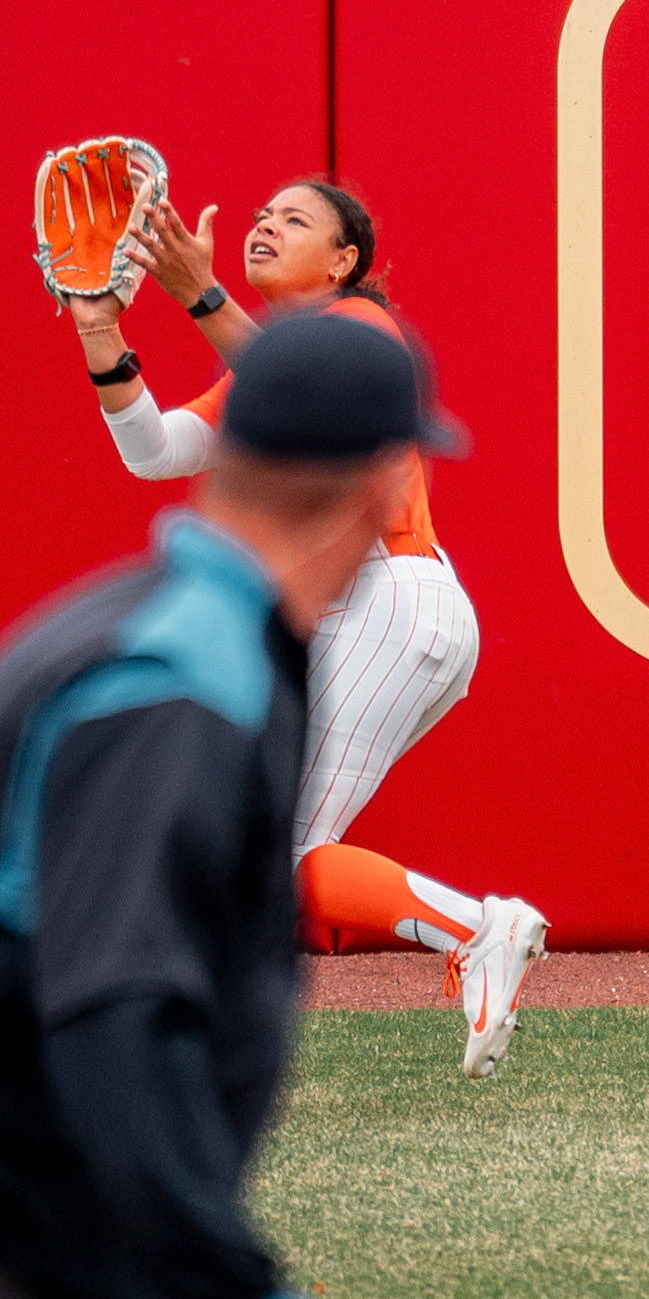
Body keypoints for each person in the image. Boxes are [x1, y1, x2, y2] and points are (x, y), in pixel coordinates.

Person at [0, 310, 458, 1299]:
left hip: (74, 1278)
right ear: (383, 483)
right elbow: (114, 1012)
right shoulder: (187, 675)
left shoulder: (151, 632)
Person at [65, 177, 547, 1079]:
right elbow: (153, 452)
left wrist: (199, 299)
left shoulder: (362, 330)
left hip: (393, 598)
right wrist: (101, 331)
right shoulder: (268, 367)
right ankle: (460, 935)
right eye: (260, 215)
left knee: (276, 847)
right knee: (260, 841)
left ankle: (481, 928)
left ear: (344, 262)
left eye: (294, 221)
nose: (263, 227)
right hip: (381, 611)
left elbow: (315, 392)